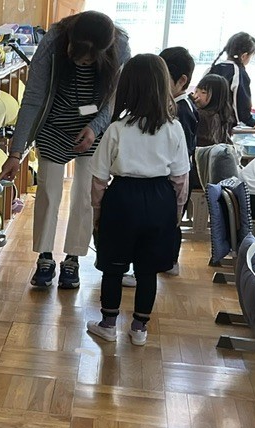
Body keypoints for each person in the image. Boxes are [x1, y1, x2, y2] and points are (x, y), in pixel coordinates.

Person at [0, 11, 130, 289]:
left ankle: (73, 258)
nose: (82, 63)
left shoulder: (120, 47)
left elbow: (113, 101)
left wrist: (94, 128)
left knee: (85, 195)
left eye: (89, 60)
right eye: (78, 56)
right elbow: (33, 98)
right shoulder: (53, 40)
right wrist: (16, 152)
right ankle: (45, 256)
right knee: (48, 192)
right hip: (53, 126)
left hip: (94, 127)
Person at [86, 54, 190, 345]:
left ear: (127, 88)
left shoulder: (116, 129)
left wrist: (97, 214)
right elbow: (180, 181)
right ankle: (139, 328)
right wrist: (175, 214)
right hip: (160, 200)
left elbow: (98, 181)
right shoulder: (174, 129)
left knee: (113, 268)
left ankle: (108, 324)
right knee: (148, 271)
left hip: (121, 200)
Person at [160, 47, 199, 277]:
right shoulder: (180, 105)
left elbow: (182, 149)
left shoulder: (182, 110)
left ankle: (169, 261)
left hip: (180, 176)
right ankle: (167, 260)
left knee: (171, 221)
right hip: (179, 174)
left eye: (164, 78)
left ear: (182, 80)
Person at [207, 32, 255, 131]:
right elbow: (242, 102)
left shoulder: (212, 69)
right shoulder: (238, 73)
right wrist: (251, 121)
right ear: (244, 56)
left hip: (206, 122)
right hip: (224, 125)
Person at [192, 74, 236, 146]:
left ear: (216, 97)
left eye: (203, 92)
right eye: (196, 91)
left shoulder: (204, 115)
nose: (196, 96)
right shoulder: (221, 116)